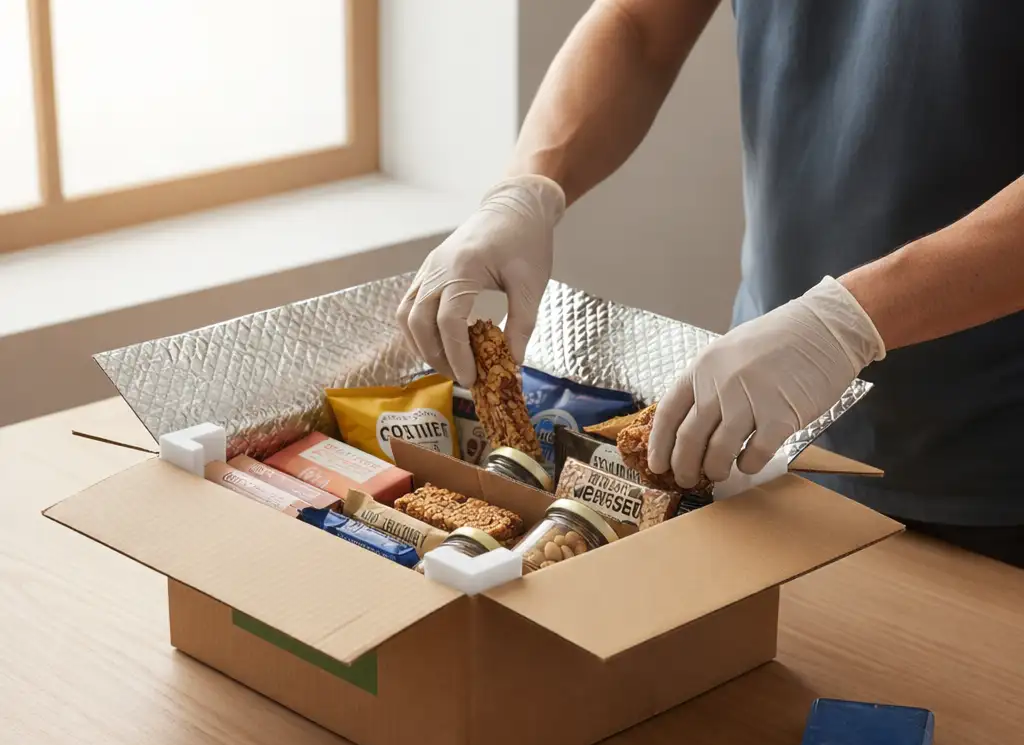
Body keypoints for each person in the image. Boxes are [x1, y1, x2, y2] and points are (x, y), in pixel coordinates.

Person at [397, 0, 1024, 567]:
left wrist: (850, 321)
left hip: (994, 464)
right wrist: (526, 190)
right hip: (765, 427)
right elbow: (638, 26)